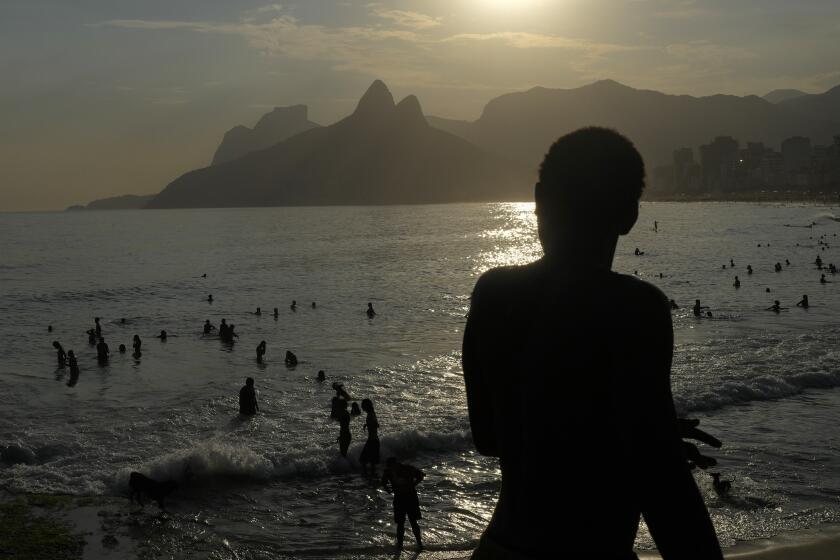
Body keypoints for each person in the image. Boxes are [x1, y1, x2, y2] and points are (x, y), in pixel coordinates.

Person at [462, 128, 722, 559]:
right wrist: (639, 438)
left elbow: (490, 437)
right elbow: (664, 487)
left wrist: (615, 430)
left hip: (499, 548)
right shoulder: (634, 307)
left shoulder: (493, 294)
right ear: (629, 215)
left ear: (539, 199)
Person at [381, 458, 424, 551]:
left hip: (403, 497)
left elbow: (383, 483)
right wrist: (413, 485)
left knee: (403, 523)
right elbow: (421, 476)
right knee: (410, 522)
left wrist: (388, 490)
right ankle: (418, 545)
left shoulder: (389, 471)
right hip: (410, 496)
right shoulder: (408, 468)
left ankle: (403, 546)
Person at [360, 399, 380, 474]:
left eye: (363, 405)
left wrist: (369, 424)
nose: (362, 407)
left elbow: (376, 425)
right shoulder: (371, 413)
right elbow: (374, 423)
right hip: (373, 440)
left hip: (373, 441)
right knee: (371, 462)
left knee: (363, 460)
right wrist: (367, 424)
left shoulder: (371, 414)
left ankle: (366, 476)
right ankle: (371, 478)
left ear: (366, 406)